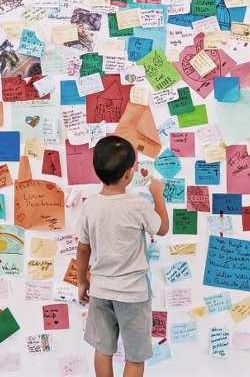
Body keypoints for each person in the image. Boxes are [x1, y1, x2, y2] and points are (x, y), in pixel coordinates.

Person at [77, 136, 169, 377]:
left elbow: (83, 249)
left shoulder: (89, 206)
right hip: (133, 295)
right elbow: (162, 228)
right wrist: (157, 193)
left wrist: (81, 281)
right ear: (129, 173)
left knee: (103, 349)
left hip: (101, 291)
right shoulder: (137, 205)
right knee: (136, 356)